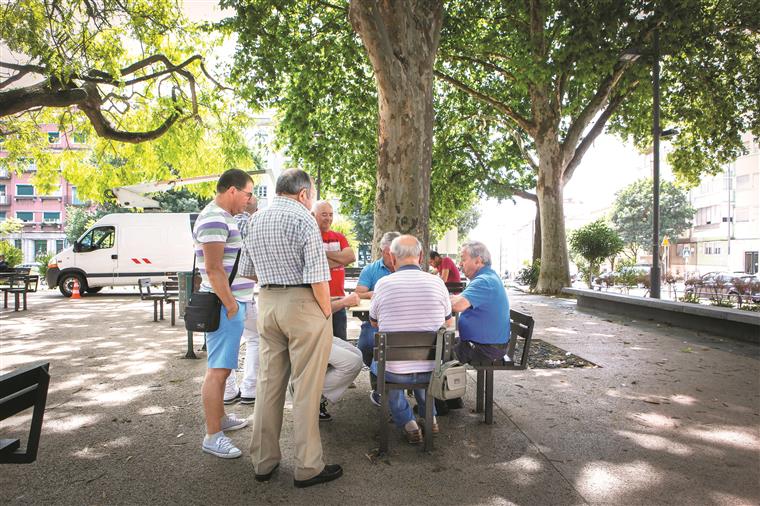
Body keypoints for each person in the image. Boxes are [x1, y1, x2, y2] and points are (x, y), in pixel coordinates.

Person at [239, 169, 342, 488]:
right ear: (303, 194)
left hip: (267, 303)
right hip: (303, 304)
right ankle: (308, 466)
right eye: (310, 195)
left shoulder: (255, 219)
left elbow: (248, 271)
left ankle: (263, 460)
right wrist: (325, 313)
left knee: (269, 385)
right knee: (307, 390)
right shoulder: (303, 219)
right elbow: (317, 277)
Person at [194, 169, 255, 460]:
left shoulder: (222, 217)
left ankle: (220, 419)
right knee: (217, 372)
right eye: (247, 193)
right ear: (232, 190)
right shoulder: (215, 218)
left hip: (231, 302)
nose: (249, 199)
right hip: (224, 304)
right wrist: (231, 305)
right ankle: (212, 435)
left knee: (224, 367)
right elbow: (213, 268)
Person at [369, 235, 453, 443]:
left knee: (381, 362)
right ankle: (430, 418)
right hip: (430, 370)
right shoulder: (437, 283)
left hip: (395, 373)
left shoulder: (383, 284)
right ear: (421, 256)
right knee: (423, 364)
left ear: (392, 256)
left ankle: (408, 423)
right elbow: (448, 322)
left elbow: (373, 322)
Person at [450, 241, 511, 365]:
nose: (460, 264)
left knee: (435, 351)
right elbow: (458, 299)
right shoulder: (487, 277)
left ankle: (428, 383)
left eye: (463, 259)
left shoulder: (484, 281)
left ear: (478, 261)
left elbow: (457, 305)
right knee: (441, 345)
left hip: (486, 349)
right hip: (486, 344)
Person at [225, 198, 260, 406]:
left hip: (225, 292)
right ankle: (249, 388)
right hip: (246, 292)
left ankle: (229, 390)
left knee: (229, 342)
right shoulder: (253, 225)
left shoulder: (226, 223)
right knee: (255, 338)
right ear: (254, 210)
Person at [354, 231, 400, 367]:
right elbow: (358, 293)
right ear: (381, 251)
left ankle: (387, 378)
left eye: (396, 252)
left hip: (402, 320)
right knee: (366, 345)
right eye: (388, 252)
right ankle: (377, 377)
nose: (392, 256)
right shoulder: (370, 269)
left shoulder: (408, 270)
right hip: (376, 320)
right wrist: (371, 294)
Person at [313, 200, 356, 340]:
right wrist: (339, 259)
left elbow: (350, 257)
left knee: (340, 342)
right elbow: (312, 266)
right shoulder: (310, 237)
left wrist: (323, 255)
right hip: (316, 301)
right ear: (313, 215)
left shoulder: (339, 237)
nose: (328, 218)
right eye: (324, 214)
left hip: (339, 300)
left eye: (331, 214)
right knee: (319, 346)